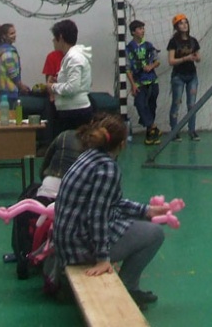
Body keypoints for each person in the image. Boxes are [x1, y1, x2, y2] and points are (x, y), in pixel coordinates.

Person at [53, 113, 169, 310]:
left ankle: (130, 287)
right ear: (122, 144)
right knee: (155, 234)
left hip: (67, 242)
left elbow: (110, 202)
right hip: (80, 248)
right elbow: (97, 216)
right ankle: (129, 289)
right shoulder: (107, 168)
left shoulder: (88, 156)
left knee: (145, 223)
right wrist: (102, 259)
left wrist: (146, 211)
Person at [47, 19, 93, 138]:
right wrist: (58, 82)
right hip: (72, 110)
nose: (53, 41)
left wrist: (53, 87)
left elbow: (72, 88)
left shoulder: (74, 58)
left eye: (54, 37)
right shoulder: (71, 57)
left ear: (61, 38)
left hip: (75, 112)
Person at [125, 20, 162, 145]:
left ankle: (150, 133)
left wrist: (151, 66)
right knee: (140, 104)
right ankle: (153, 126)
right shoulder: (129, 49)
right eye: (140, 29)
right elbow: (128, 69)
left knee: (152, 106)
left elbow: (157, 61)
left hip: (152, 80)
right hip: (139, 82)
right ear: (133, 32)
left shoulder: (148, 46)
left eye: (143, 28)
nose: (143, 31)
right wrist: (133, 84)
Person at [167, 14, 201, 141]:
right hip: (178, 76)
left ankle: (192, 130)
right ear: (176, 27)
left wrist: (196, 58)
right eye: (181, 23)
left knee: (192, 104)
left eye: (186, 22)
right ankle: (174, 131)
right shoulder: (173, 42)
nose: (184, 25)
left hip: (192, 75)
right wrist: (185, 58)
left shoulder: (193, 41)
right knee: (176, 104)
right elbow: (171, 61)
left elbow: (199, 57)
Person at [0, 23, 22, 108]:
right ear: (4, 36)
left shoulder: (7, 49)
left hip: (9, 90)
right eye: (11, 33)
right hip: (9, 90)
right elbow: (12, 72)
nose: (14, 35)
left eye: (14, 32)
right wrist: (21, 85)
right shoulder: (7, 52)